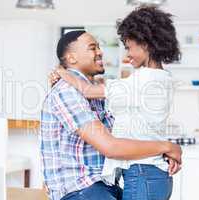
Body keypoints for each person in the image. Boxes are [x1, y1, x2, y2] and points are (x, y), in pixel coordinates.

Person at [51, 6, 182, 200]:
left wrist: (62, 72)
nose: (127, 55)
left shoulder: (142, 80)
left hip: (143, 174)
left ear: (145, 44)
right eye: (92, 47)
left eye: (129, 47)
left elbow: (87, 91)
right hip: (151, 174)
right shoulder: (161, 78)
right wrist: (167, 147)